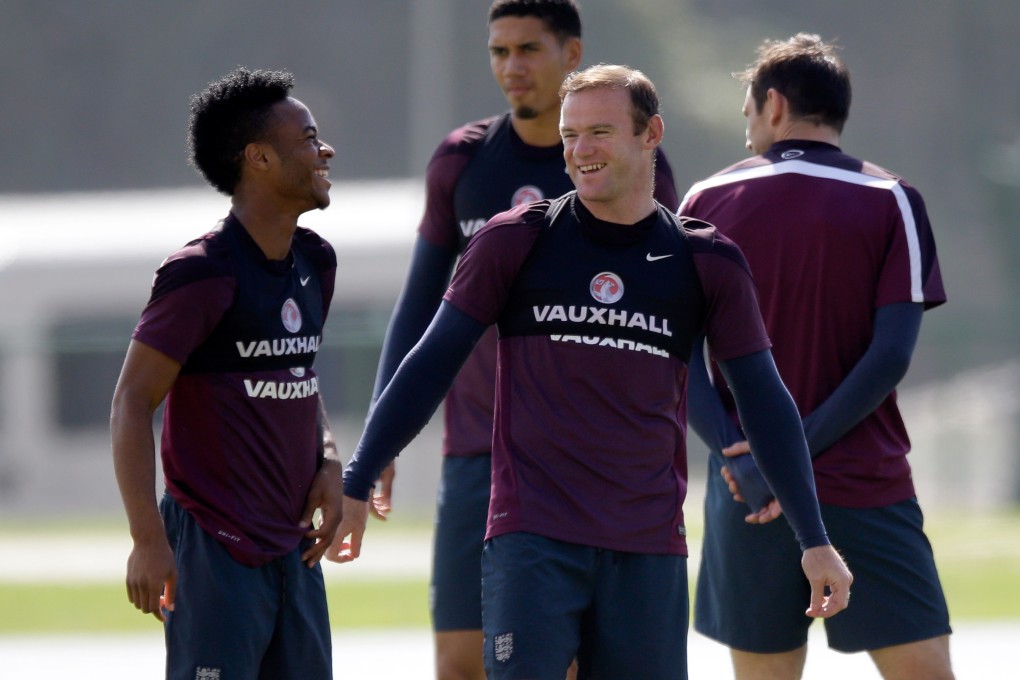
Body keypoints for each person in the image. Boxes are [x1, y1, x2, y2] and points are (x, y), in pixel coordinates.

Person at [329, 63, 851, 679]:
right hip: (532, 541)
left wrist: (813, 537)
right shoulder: (513, 241)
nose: (580, 150)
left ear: (650, 132)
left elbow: (764, 400)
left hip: (649, 548)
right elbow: (430, 362)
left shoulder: (706, 259)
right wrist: (359, 478)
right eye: (570, 134)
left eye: (599, 132)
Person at [366, 2, 678, 678]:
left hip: (585, 463)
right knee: (458, 661)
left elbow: (672, 315)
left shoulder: (635, 165)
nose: (512, 67)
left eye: (528, 49)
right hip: (478, 453)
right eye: (498, 51)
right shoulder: (463, 160)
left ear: (572, 54)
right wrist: (379, 441)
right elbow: (419, 306)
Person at [680, 34, 953, 680]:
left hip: (744, 486)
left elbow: (677, 354)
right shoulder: (894, 200)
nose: (747, 125)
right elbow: (890, 357)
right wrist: (790, 455)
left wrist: (740, 452)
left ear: (773, 105)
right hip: (864, 483)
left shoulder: (703, 201)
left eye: (748, 108)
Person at [110, 67, 342, 680]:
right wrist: (147, 539)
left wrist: (327, 457)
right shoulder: (201, 273)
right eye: (309, 138)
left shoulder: (316, 260)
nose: (326, 150)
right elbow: (132, 402)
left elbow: (299, 376)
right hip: (214, 547)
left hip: (294, 548)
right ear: (260, 158)